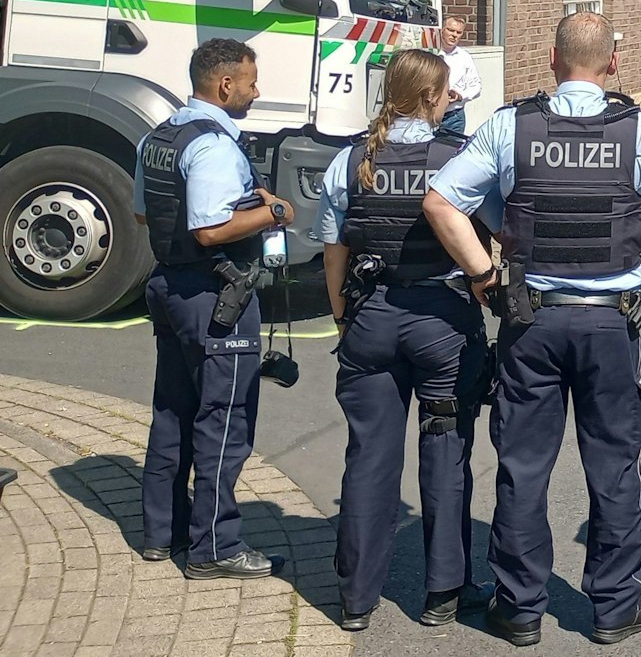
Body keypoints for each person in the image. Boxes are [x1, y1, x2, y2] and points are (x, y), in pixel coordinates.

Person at [422, 11, 641, 647]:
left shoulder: (510, 125)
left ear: (552, 60)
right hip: (610, 323)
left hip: (531, 322)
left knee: (523, 465)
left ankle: (518, 608)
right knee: (614, 465)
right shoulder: (640, 130)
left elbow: (440, 202)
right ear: (613, 62)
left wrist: (484, 276)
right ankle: (614, 607)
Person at [319, 49, 495, 632]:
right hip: (441, 322)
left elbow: (334, 251)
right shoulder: (458, 157)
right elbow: (495, 229)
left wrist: (343, 319)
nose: (450, 102)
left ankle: (355, 598)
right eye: (446, 94)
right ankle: (445, 591)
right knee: (445, 450)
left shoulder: (351, 159)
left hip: (371, 318)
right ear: (429, 97)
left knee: (368, 455)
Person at [134, 38, 294, 579]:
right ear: (226, 85)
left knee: (172, 411)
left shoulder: (160, 136)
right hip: (216, 296)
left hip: (169, 287)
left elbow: (144, 214)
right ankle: (215, 547)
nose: (256, 90)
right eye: (251, 81)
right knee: (225, 419)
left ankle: (163, 533)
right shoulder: (214, 145)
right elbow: (209, 229)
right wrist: (273, 212)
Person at [440, 16, 482, 135]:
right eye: (450, 30)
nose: (454, 35)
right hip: (427, 117)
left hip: (454, 118)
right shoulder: (430, 53)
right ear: (442, 30)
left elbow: (476, 86)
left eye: (459, 32)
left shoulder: (464, 57)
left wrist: (460, 96)